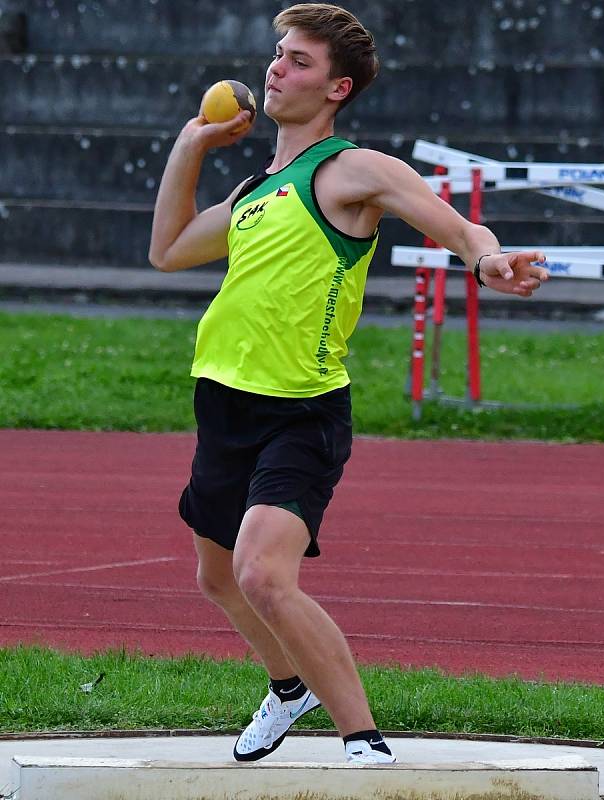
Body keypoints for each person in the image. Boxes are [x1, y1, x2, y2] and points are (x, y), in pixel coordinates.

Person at [149, 2, 549, 765]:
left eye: (299, 61)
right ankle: (288, 689)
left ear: (337, 89)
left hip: (301, 410)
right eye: (278, 54)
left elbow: (453, 223)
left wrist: (485, 258)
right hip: (223, 401)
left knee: (262, 572)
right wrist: (191, 144)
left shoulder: (350, 170)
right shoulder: (253, 194)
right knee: (216, 577)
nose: (276, 68)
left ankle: (363, 743)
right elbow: (167, 250)